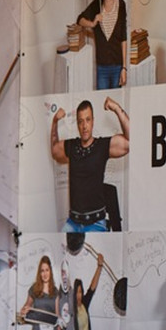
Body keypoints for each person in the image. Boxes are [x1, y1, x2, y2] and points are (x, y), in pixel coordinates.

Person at [51, 97, 129, 232]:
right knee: (58, 249)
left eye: (87, 120)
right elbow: (54, 151)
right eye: (81, 121)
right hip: (73, 222)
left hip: (96, 223)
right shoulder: (72, 146)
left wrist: (116, 108)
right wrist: (55, 121)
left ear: (93, 121)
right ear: (77, 124)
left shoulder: (102, 146)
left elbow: (129, 142)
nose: (84, 126)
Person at [76, 0, 128, 90]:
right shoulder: (96, 5)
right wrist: (92, 23)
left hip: (117, 65)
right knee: (101, 101)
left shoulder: (121, 4)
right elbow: (79, 20)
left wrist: (124, 68)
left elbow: (123, 37)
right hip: (102, 67)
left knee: (115, 100)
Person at [18, 255, 61, 330]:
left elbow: (57, 319)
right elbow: (25, 309)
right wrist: (23, 311)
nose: (45, 273)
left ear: (50, 271)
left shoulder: (55, 292)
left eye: (47, 270)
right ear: (39, 272)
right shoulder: (34, 289)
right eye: (42, 271)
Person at [71, 253, 105, 330]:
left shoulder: (84, 305)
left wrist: (99, 267)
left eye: (81, 292)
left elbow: (92, 287)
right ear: (74, 294)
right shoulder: (72, 311)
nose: (79, 295)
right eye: (77, 292)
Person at [58, 260, 76, 330]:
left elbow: (72, 311)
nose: (64, 275)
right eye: (62, 272)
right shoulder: (57, 294)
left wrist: (69, 290)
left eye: (66, 272)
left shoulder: (72, 293)